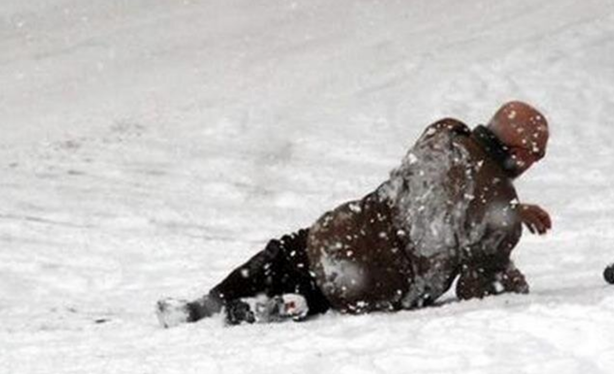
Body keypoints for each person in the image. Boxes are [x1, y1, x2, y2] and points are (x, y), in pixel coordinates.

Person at [157, 101, 552, 327]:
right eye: (537, 155)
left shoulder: (444, 131)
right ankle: (298, 303)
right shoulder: (496, 203)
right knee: (344, 288)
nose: (535, 163)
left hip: (340, 235)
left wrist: (506, 209)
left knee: (288, 254)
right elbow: (480, 289)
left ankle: (204, 306)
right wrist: (509, 255)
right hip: (375, 284)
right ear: (520, 153)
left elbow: (450, 190)